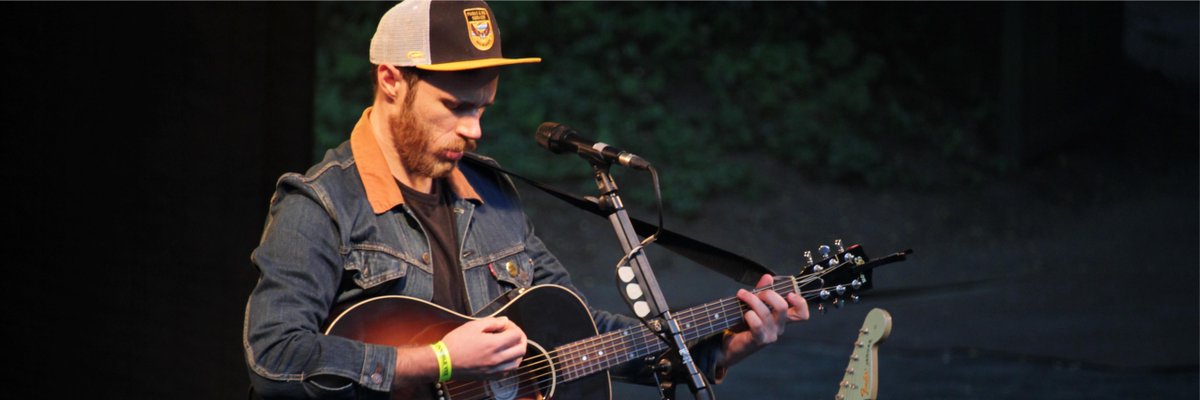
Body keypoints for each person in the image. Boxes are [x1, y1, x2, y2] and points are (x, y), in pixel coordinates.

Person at [242, 0, 809, 398]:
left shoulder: (493, 196)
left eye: (482, 108)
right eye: (456, 107)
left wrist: (717, 348)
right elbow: (273, 359)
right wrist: (441, 361)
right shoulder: (319, 204)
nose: (475, 130)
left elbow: (577, 330)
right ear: (391, 80)